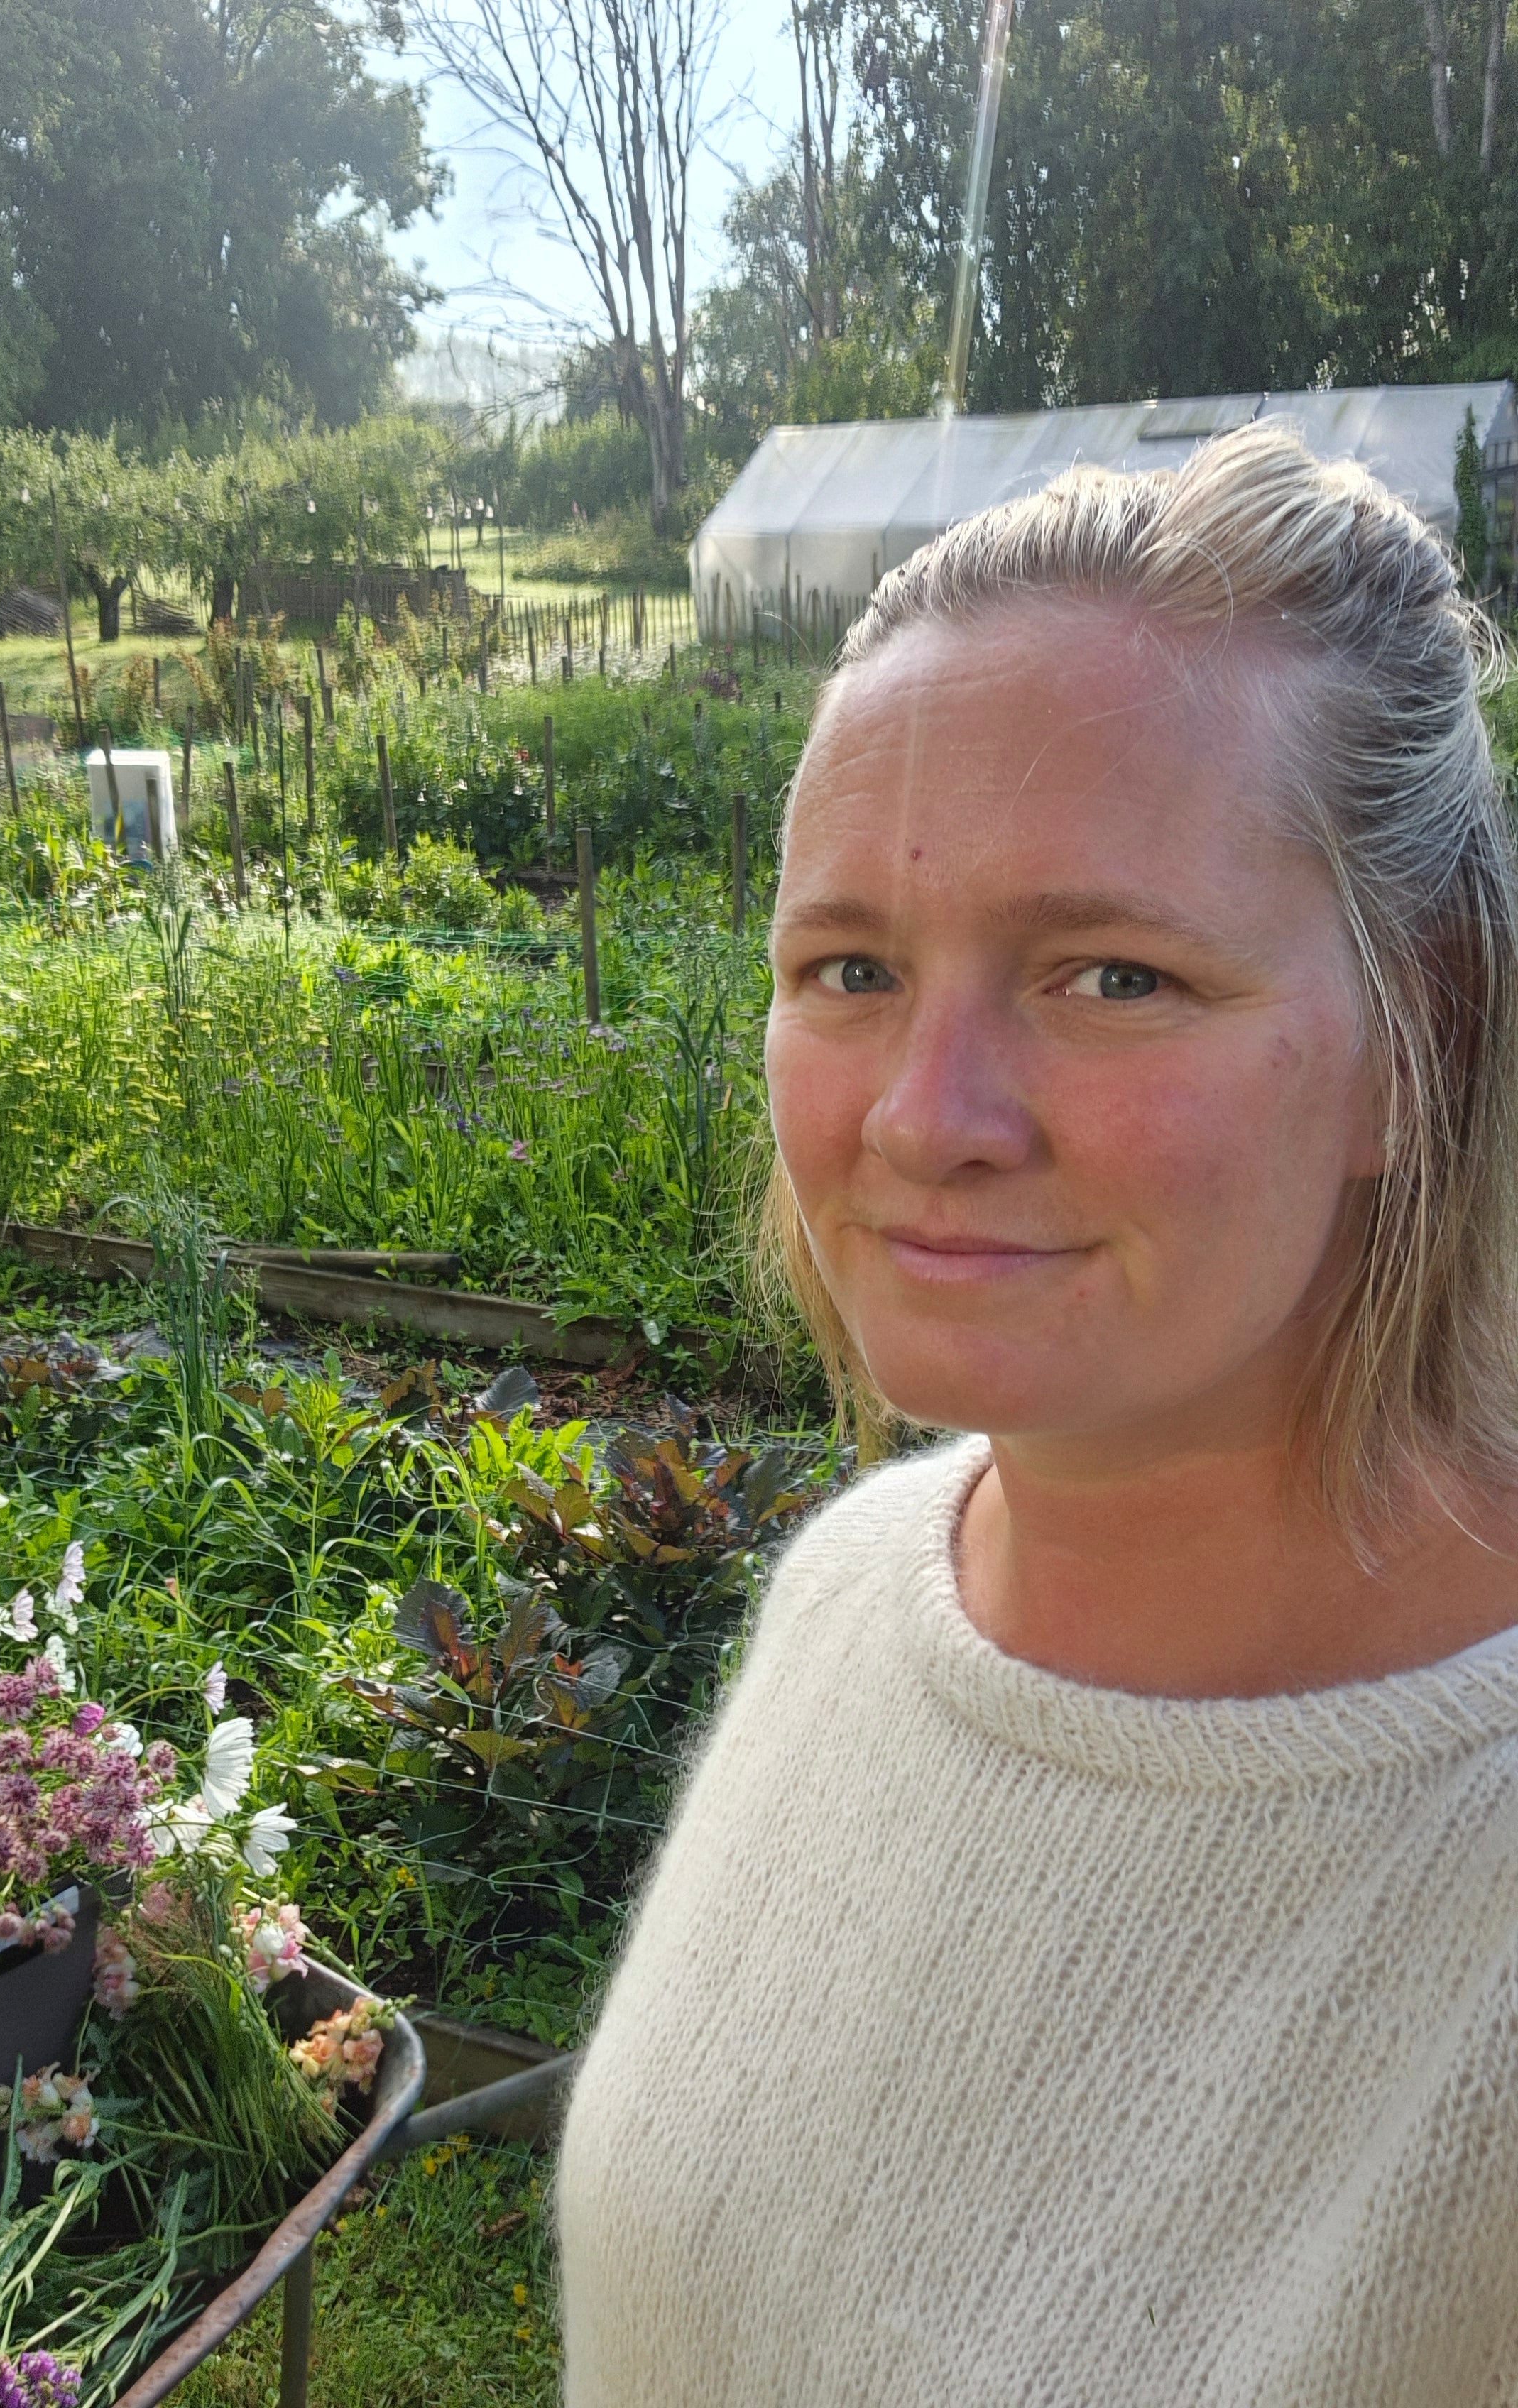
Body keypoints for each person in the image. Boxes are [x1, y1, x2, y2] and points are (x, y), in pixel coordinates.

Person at [555, 422, 1518, 2405]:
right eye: (850, 967)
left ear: (1419, 1036)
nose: (926, 1120)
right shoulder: (852, 1593)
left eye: (1111, 976)